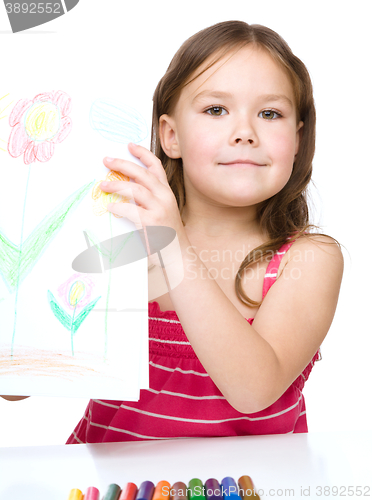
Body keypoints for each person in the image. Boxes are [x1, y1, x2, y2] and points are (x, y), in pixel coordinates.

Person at [4, 20, 344, 441]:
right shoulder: (118, 238)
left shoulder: (309, 259)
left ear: (297, 138)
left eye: (270, 113)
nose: (245, 133)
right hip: (110, 484)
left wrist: (174, 245)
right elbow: (16, 388)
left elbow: (253, 390)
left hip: (243, 485)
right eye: (216, 110)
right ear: (170, 136)